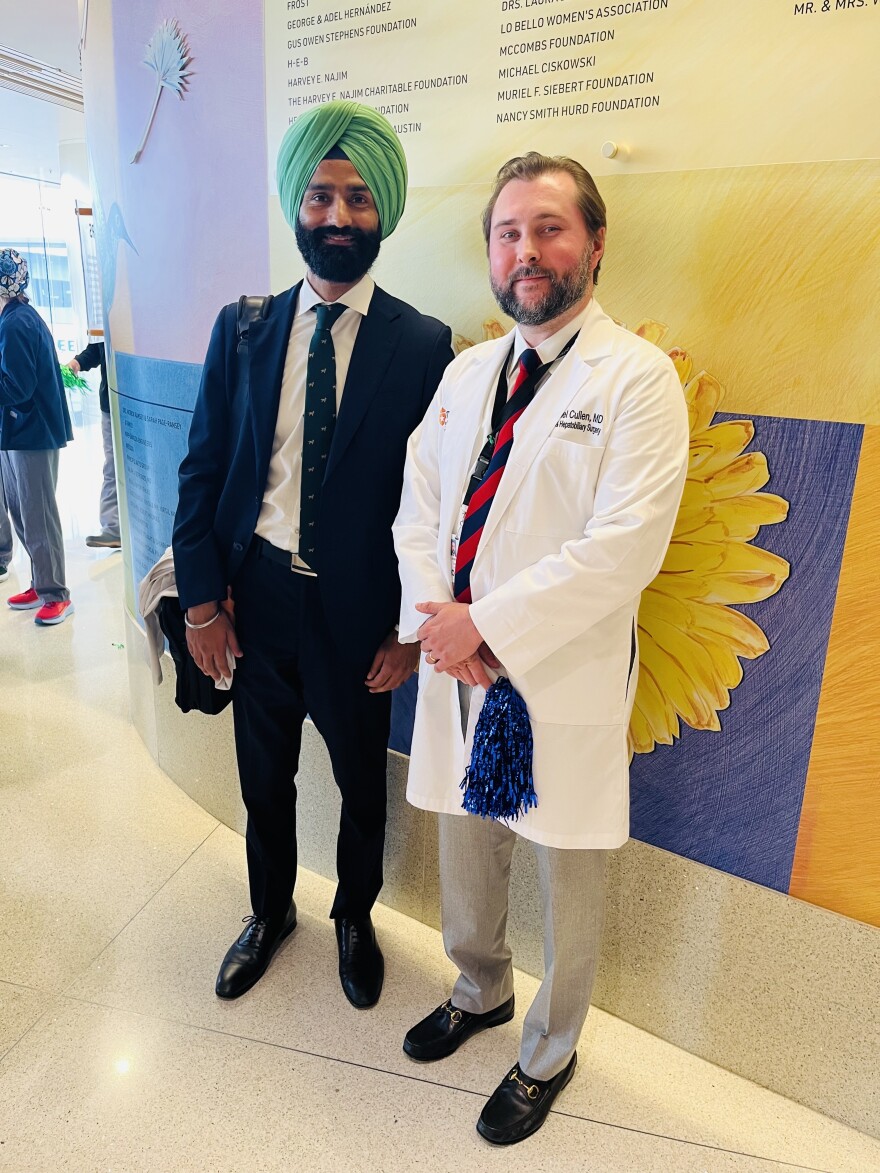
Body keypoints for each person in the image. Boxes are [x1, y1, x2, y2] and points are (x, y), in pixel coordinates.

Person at [393, 152, 689, 1144]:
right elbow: (418, 508)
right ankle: (476, 989)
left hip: (553, 677)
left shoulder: (637, 380)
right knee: (467, 851)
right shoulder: (469, 373)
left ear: (594, 245)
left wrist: (488, 624)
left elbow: (624, 549)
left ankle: (548, 1048)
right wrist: (438, 617)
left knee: (567, 871)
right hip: (461, 667)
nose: (527, 250)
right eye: (508, 232)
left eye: (549, 228)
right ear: (489, 250)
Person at [172, 101, 453, 1010]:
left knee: (362, 788)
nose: (337, 216)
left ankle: (353, 917)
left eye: (359, 198)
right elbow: (203, 469)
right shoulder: (243, 328)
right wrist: (204, 604)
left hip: (359, 618)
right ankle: (270, 912)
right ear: (296, 205)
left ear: (386, 213)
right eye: (321, 195)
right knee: (264, 779)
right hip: (256, 598)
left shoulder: (422, 345)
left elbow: (434, 509)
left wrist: (412, 633)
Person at [0, 249, 74, 626]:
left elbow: (19, 385)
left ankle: (56, 593)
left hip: (32, 434)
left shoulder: (16, 324)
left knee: (37, 514)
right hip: (17, 434)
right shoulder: (10, 319)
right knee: (21, 511)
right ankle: (40, 581)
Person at [67, 340, 121, 549]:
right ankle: (113, 529)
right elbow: (98, 348)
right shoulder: (105, 314)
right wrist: (77, 363)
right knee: (112, 466)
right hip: (111, 403)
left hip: (139, 401)